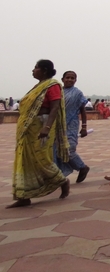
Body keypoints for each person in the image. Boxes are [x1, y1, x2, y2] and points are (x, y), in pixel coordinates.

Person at [8, 60, 70, 208]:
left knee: (41, 158)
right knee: (24, 160)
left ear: (44, 70)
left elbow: (55, 107)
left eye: (36, 68)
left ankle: (62, 181)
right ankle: (24, 196)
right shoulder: (38, 87)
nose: (33, 70)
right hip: (28, 128)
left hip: (42, 126)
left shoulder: (52, 85)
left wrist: (47, 127)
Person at [59, 71, 90, 182]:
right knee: (59, 151)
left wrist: (84, 127)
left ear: (75, 80)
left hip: (72, 124)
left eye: (72, 78)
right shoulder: (58, 91)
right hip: (58, 126)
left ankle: (82, 167)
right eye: (68, 77)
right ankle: (60, 176)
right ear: (62, 79)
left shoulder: (77, 93)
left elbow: (82, 110)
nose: (70, 80)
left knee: (69, 149)